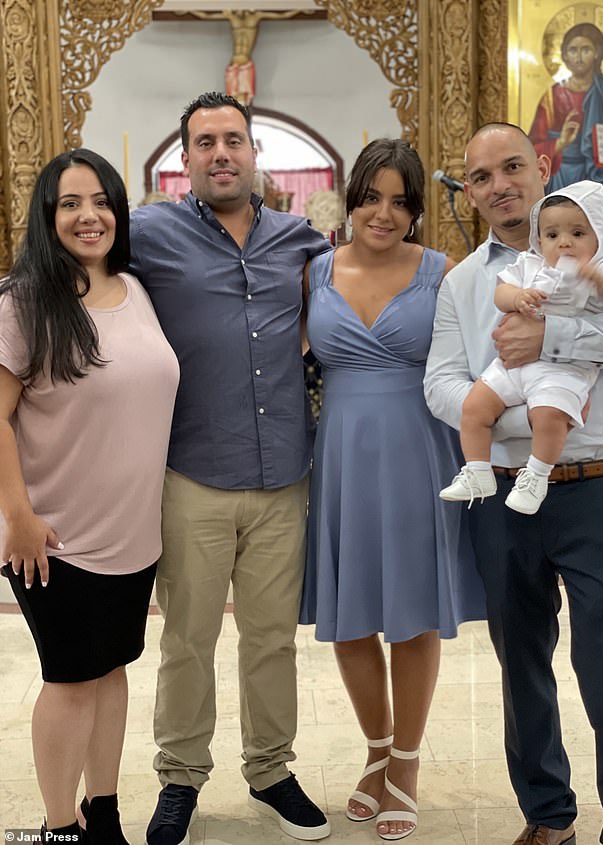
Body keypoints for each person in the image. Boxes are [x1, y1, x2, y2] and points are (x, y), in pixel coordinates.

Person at [129, 91, 332, 845]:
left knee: (272, 638)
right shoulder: (149, 234)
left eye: (234, 140)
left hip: (283, 477)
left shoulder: (300, 239)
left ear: (255, 154)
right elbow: (69, 273)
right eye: (205, 142)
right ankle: (180, 776)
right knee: (186, 638)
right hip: (192, 476)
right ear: (185, 162)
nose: (221, 153)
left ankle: (271, 768)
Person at [424, 122, 603, 845]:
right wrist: (520, 406)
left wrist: (551, 344)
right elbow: (442, 384)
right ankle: (548, 815)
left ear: (541, 165)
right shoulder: (464, 280)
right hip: (507, 488)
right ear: (471, 191)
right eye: (480, 177)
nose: (498, 185)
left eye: (512, 166)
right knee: (520, 659)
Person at [299, 139, 487, 841]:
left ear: (415, 211)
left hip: (419, 451)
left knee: (408, 612)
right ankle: (375, 748)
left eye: (401, 201)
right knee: (350, 617)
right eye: (372, 196)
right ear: (351, 198)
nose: (384, 212)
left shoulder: (445, 271)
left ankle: (405, 762)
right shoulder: (313, 272)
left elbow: (485, 357)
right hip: (340, 455)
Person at [0, 149, 179, 844]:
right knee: (72, 680)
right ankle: (59, 827)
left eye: (101, 200)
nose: (88, 215)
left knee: (111, 670)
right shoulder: (23, 302)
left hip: (133, 532)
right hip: (57, 535)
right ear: (48, 217)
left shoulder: (135, 289)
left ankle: (102, 814)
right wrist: (16, 512)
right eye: (70, 203)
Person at [440, 179, 603, 514]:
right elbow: (501, 293)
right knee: (473, 406)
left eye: (578, 234)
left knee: (548, 416)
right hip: (511, 368)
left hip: (563, 373)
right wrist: (518, 297)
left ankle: (537, 476)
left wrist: (599, 281)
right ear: (539, 239)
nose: (565, 244)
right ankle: (477, 470)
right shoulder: (528, 266)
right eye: (553, 236)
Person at [528, 23, 603, 200]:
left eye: (586, 49)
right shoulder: (552, 96)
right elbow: (531, 150)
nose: (579, 57)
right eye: (573, 50)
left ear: (597, 54)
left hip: (601, 177)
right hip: (561, 176)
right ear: (564, 56)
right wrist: (560, 142)